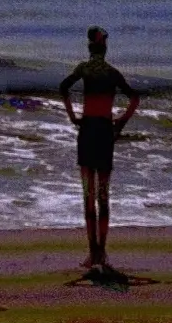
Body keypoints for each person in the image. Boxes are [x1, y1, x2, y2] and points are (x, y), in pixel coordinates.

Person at [59, 26, 139, 272]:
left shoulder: (84, 68)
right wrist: (121, 122)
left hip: (87, 130)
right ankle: (101, 252)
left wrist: (72, 116)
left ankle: (92, 252)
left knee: (88, 195)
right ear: (105, 50)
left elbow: (63, 88)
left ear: (89, 48)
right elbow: (134, 98)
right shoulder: (112, 73)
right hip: (104, 131)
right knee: (103, 196)